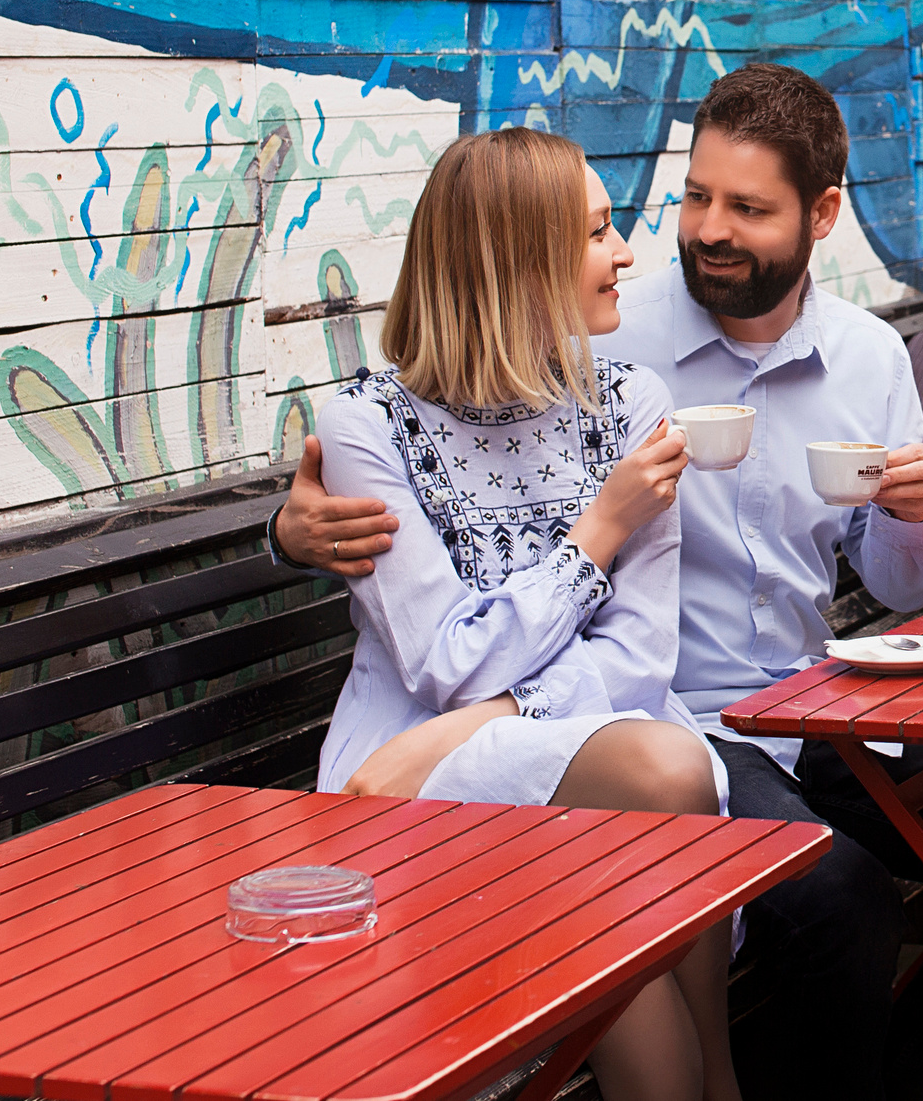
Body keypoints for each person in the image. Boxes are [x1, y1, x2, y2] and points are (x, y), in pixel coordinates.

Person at [276, 65, 923, 1101]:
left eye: (745, 208)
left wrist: (918, 519)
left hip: (820, 701)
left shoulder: (864, 356)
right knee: (840, 906)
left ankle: (899, 1081)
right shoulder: (607, 344)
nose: (702, 231)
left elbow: (902, 588)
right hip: (676, 723)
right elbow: (437, 429)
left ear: (821, 214)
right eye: (695, 198)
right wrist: (288, 531)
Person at [310, 126, 735, 1101]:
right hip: (403, 781)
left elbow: (638, 661)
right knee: (670, 766)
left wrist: (484, 721)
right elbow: (442, 663)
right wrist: (598, 532)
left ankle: (715, 1074)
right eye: (594, 231)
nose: (626, 250)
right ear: (519, 260)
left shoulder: (629, 403)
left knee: (612, 906)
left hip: (546, 750)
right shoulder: (367, 428)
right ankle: (722, 1074)